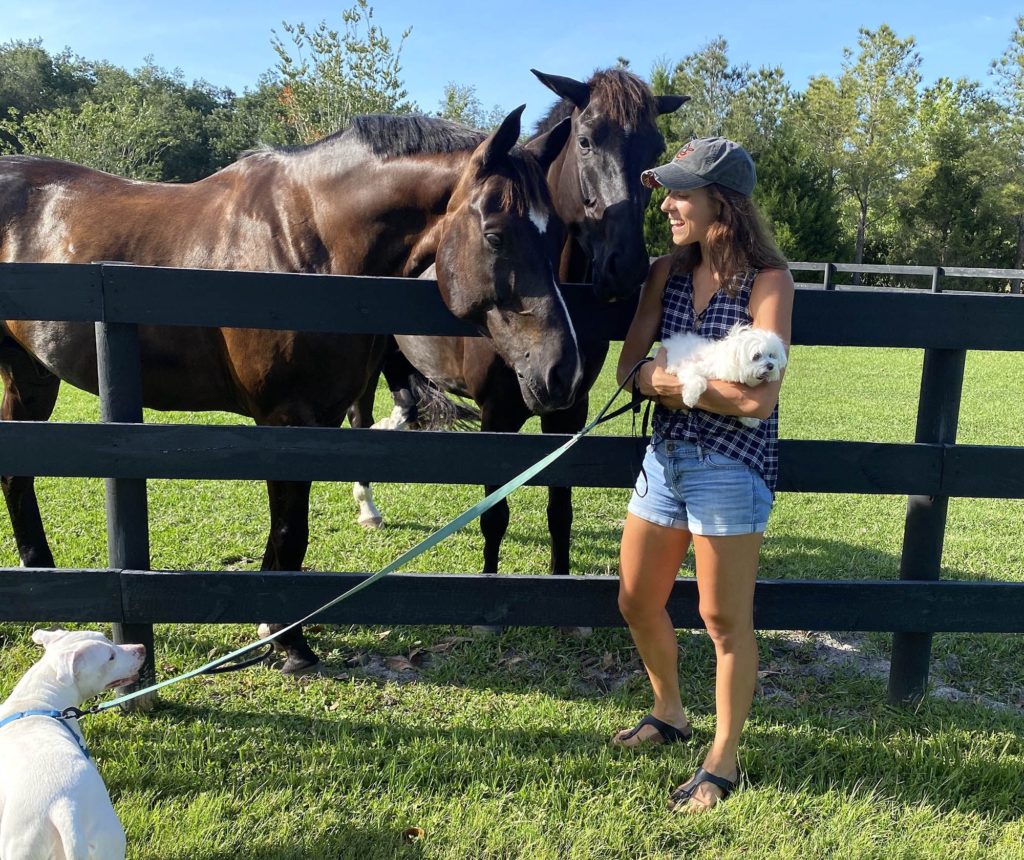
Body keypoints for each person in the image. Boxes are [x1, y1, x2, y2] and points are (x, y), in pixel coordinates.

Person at [612, 137, 794, 813]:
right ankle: (669, 712)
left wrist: (679, 382)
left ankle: (723, 759)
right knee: (635, 597)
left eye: (682, 192)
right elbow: (629, 370)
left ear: (724, 203)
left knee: (722, 618)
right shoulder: (665, 274)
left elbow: (758, 400)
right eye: (668, 191)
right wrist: (667, 382)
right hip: (665, 458)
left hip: (729, 465)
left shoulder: (767, 282)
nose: (667, 204)